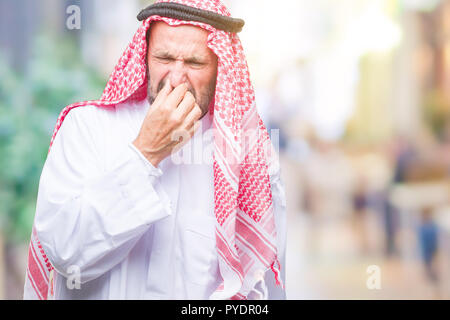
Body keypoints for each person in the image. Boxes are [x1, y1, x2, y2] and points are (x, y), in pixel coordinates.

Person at [24, 0, 287, 300]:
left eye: (195, 63)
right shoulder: (86, 130)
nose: (176, 78)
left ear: (220, 69)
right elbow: (65, 254)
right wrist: (145, 153)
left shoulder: (248, 158)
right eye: (164, 58)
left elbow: (263, 287)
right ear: (145, 56)